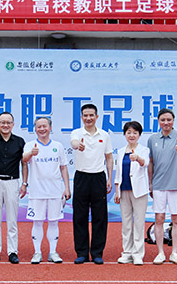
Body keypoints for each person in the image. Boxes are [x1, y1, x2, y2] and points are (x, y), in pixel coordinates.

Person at [23, 117, 71, 264]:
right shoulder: (30, 145)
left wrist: (67, 187)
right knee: (37, 222)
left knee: (53, 222)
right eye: (39, 127)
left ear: (50, 128)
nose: (42, 129)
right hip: (36, 191)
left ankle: (53, 252)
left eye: (44, 126)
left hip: (55, 191)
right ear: (35, 129)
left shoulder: (58, 146)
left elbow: (63, 167)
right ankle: (37, 252)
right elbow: (23, 159)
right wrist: (31, 153)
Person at [70, 103, 113, 264]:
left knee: (100, 217)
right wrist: (77, 145)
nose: (88, 118)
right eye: (85, 115)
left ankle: (97, 253)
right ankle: (81, 252)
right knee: (79, 216)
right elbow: (74, 143)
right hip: (81, 177)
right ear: (82, 117)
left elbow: (109, 157)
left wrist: (109, 178)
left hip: (98, 177)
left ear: (97, 117)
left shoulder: (104, 135)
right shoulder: (77, 133)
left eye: (91, 115)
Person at [147, 108, 177, 265]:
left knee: (176, 219)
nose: (166, 123)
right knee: (159, 219)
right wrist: (150, 183)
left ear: (173, 121)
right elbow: (151, 162)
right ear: (158, 121)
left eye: (169, 120)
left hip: (176, 185)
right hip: (158, 185)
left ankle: (175, 253)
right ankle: (160, 253)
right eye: (163, 120)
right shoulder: (152, 139)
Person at [0, 112, 27, 264]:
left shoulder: (20, 141)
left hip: (12, 182)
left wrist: (24, 183)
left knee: (12, 219)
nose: (5, 125)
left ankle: (12, 251)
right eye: (2, 122)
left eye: (8, 122)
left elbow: (24, 163)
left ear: (13, 124)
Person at [114, 121, 150, 265]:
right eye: (129, 132)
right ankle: (127, 252)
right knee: (126, 224)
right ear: (124, 134)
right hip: (124, 191)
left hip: (139, 191)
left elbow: (145, 163)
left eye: (135, 133)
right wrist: (117, 190)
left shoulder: (143, 150)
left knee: (139, 223)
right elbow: (118, 172)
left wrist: (138, 158)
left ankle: (138, 254)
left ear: (139, 135)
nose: (132, 135)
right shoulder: (121, 151)